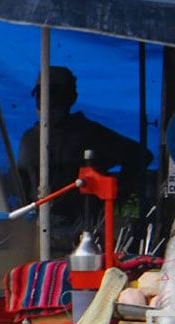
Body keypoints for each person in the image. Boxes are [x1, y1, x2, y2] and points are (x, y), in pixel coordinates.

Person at [17, 66, 153, 254]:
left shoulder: (89, 134)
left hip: (85, 235)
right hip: (39, 233)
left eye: (55, 94)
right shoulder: (29, 139)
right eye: (42, 95)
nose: (47, 101)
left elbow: (140, 156)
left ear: (71, 98)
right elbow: (21, 188)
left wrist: (116, 192)